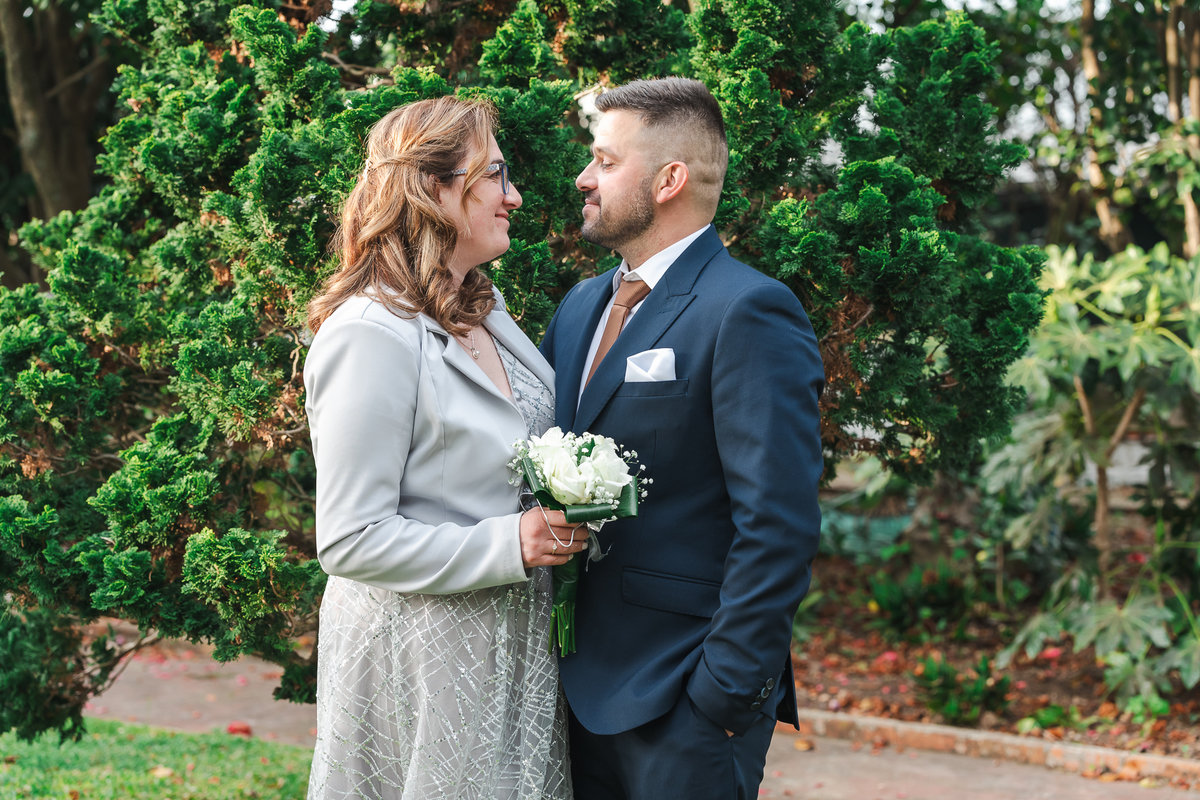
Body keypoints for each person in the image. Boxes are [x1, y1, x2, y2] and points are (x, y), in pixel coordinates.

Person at [538, 78, 825, 799]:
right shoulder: (580, 305)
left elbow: (778, 523)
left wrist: (724, 692)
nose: (584, 177)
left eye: (605, 161)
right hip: (566, 691)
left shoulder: (749, 309)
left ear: (669, 181)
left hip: (682, 696)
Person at [303, 96, 585, 800]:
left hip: (513, 640)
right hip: (419, 656)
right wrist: (512, 542)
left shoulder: (486, 311)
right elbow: (349, 539)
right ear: (432, 187)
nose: (514, 196)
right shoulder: (369, 332)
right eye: (495, 175)